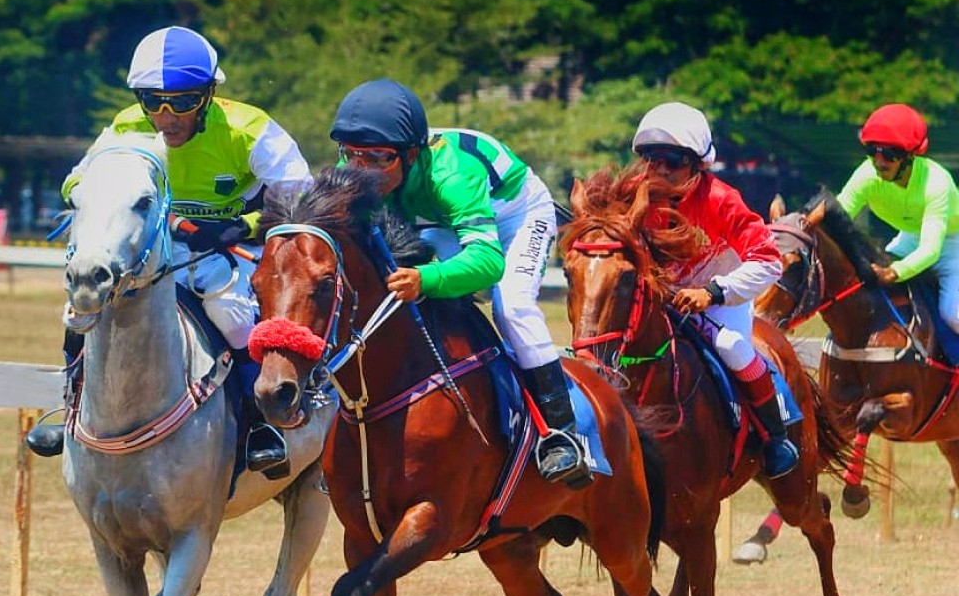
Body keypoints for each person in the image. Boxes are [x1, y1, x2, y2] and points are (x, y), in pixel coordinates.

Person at [26, 26, 312, 476]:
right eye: (153, 101)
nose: (166, 116)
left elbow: (301, 195)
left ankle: (258, 427)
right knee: (83, 310)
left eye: (183, 101)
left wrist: (244, 225)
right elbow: (75, 181)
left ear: (210, 94)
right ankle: (71, 410)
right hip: (150, 250)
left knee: (234, 318)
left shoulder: (249, 128)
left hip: (227, 250)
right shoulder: (127, 125)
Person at [329, 78, 590, 487]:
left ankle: (562, 433)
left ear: (412, 155)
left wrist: (426, 278)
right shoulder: (359, 172)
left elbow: (486, 263)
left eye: (380, 158)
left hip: (513, 220)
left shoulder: (453, 175)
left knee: (512, 306)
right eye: (353, 155)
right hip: (439, 222)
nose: (364, 172)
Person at [631, 100, 798, 478]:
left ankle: (775, 437)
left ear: (696, 164)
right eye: (649, 158)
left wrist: (714, 292)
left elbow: (770, 260)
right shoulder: (634, 193)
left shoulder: (722, 200)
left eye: (671, 160)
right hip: (659, 299)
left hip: (717, 303)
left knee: (732, 348)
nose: (657, 170)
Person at [836, 103, 959, 337]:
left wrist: (893, 272)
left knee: (953, 314)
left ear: (911, 155)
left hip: (952, 244)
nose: (879, 162)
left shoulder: (937, 182)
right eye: (873, 151)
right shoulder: (866, 174)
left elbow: (931, 250)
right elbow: (837, 216)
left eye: (890, 154)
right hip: (911, 237)